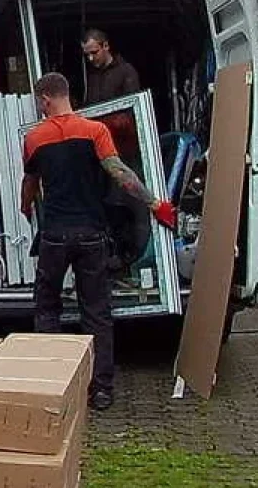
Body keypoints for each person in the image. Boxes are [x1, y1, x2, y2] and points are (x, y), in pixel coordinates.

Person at [20, 73, 176, 411]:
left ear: (45, 99)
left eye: (39, 101)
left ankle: (52, 386)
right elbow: (121, 174)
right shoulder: (95, 131)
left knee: (47, 309)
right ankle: (101, 390)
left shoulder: (34, 138)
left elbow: (30, 182)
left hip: (55, 236)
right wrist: (155, 204)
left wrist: (25, 207)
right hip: (91, 234)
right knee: (96, 313)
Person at [83, 28, 140, 105]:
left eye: (94, 52)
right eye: (87, 54)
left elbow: (133, 104)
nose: (90, 58)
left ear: (106, 46)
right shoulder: (90, 75)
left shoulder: (126, 71)